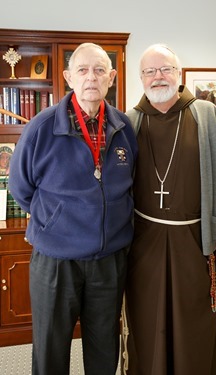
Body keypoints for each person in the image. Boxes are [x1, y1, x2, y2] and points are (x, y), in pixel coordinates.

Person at [8, 42, 137, 375]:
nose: (90, 78)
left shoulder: (124, 128)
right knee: (51, 349)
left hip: (109, 261)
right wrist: (54, 222)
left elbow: (131, 183)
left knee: (104, 347)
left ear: (111, 77)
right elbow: (20, 188)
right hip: (56, 261)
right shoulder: (41, 126)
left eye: (98, 70)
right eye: (82, 70)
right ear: (68, 77)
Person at [123, 44, 216, 375]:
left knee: (195, 321)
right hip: (143, 241)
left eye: (165, 69)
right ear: (141, 77)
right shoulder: (130, 121)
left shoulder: (207, 115)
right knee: (147, 320)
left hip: (195, 239)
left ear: (178, 73)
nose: (158, 77)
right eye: (150, 71)